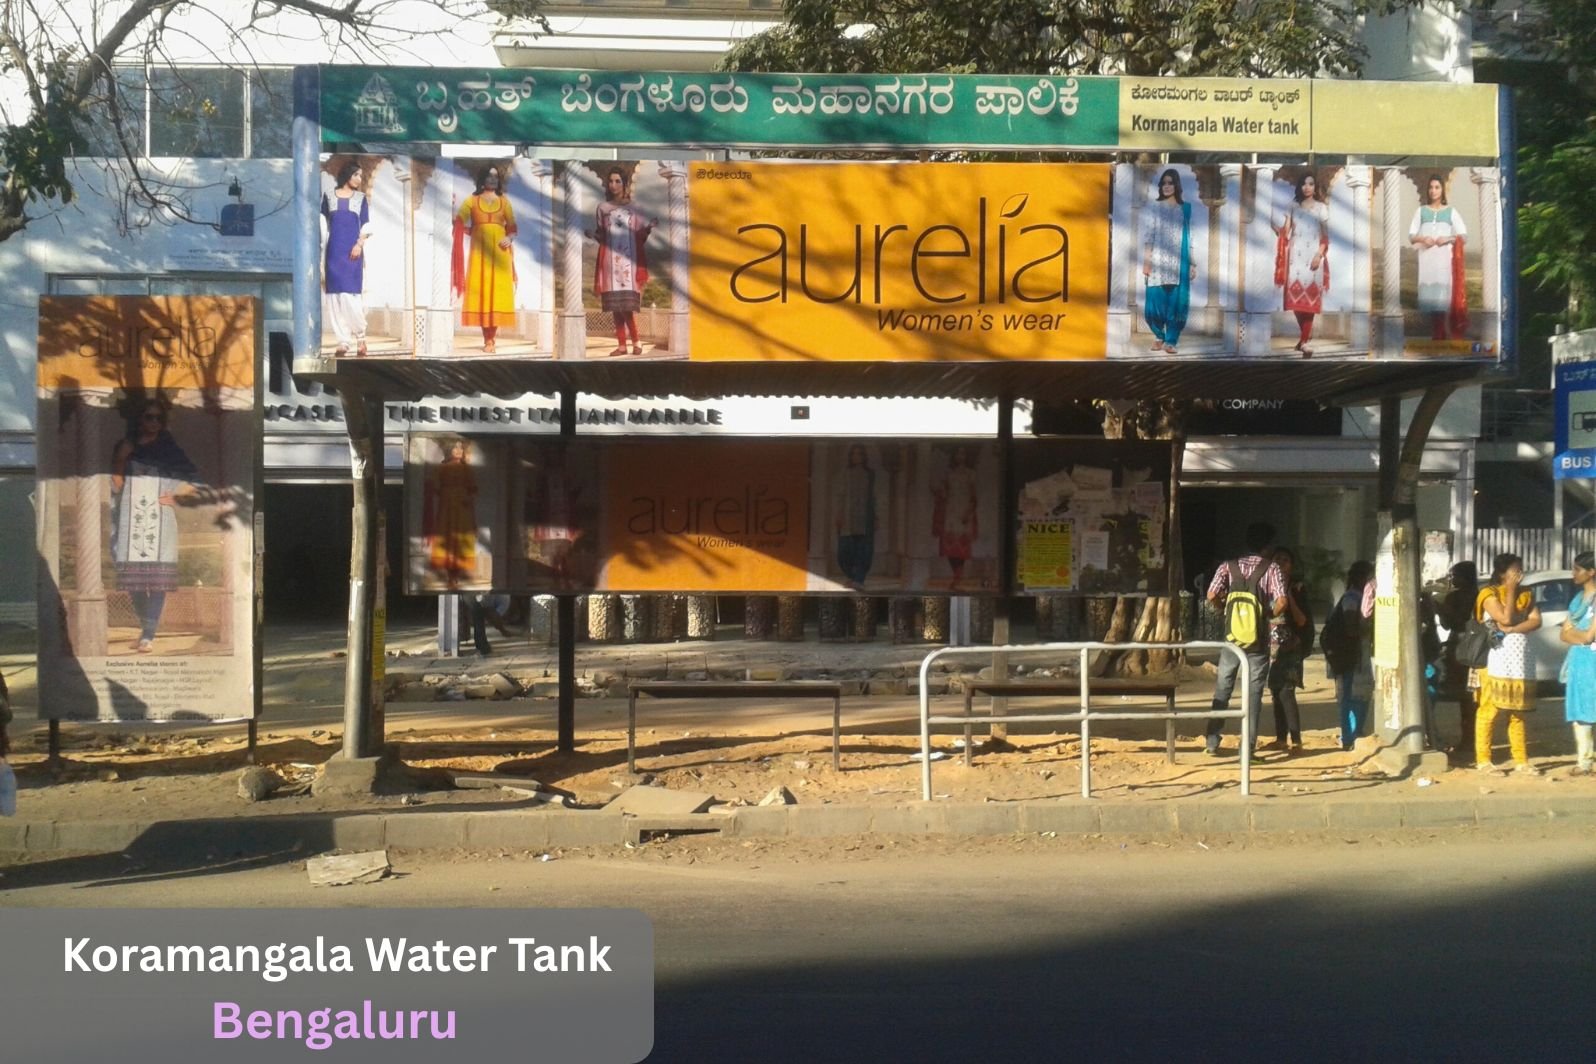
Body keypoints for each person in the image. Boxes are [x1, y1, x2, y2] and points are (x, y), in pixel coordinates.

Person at [110, 397, 200, 654]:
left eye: (158, 418)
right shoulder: (125, 446)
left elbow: (196, 479)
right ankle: (146, 629)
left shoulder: (169, 448)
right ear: (139, 418)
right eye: (149, 417)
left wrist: (176, 497)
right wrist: (120, 460)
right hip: (130, 518)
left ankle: (148, 635)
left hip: (160, 520)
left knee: (158, 581)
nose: (154, 422)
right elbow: (116, 485)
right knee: (134, 583)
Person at [1203, 522, 1287, 756]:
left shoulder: (1228, 567)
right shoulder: (1272, 569)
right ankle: (1247, 747)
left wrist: (1223, 611)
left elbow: (1211, 594)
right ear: (1268, 546)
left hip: (1232, 638)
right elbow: (1282, 602)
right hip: (1257, 641)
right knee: (1254, 693)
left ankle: (1212, 740)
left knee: (1223, 687)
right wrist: (1267, 614)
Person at [1474, 552, 1542, 775]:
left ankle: (1521, 760)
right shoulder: (1489, 594)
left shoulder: (1527, 594)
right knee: (1490, 711)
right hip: (1494, 661)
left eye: (1521, 569)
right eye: (1515, 570)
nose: (1519, 574)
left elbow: (1535, 620)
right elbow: (1505, 618)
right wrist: (1511, 592)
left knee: (1517, 712)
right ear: (1502, 573)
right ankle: (1484, 760)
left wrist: (1513, 630)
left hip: (1520, 660)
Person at [592, 165, 657, 357]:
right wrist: (592, 235)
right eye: (611, 181)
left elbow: (639, 236)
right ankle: (622, 346)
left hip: (629, 263)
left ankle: (637, 342)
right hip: (610, 263)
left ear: (624, 183)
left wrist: (649, 228)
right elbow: (602, 236)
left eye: (617, 181)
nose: (613, 185)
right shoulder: (602, 208)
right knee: (615, 307)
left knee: (627, 307)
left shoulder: (635, 208)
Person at [452, 165, 517, 353]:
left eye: (496, 176)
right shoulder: (472, 201)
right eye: (489, 176)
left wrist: (509, 238)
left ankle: (492, 340)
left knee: (495, 295)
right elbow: (460, 221)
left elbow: (512, 226)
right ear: (482, 179)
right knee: (481, 294)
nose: (492, 179)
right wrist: (461, 226)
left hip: (500, 254)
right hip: (479, 255)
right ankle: (486, 339)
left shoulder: (504, 202)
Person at [1273, 172, 1330, 357]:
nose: (1307, 187)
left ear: (1315, 187)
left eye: (1311, 184)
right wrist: (1276, 229)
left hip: (1313, 259)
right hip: (1295, 260)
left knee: (1310, 303)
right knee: (1297, 303)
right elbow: (1286, 231)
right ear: (1300, 186)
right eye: (1304, 184)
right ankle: (1304, 337)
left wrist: (1318, 256)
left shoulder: (1322, 208)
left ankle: (1304, 341)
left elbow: (1324, 237)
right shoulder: (1292, 206)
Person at [1140, 168, 1195, 355]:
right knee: (1154, 305)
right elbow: (1149, 237)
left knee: (1175, 304)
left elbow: (1190, 238)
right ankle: (1159, 336)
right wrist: (1146, 262)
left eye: (1170, 182)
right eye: (1164, 183)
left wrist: (1193, 264)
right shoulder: (1154, 207)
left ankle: (1171, 340)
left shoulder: (1185, 208)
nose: (1167, 186)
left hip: (1179, 264)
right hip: (1157, 263)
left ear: (1176, 185)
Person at [1265, 548, 1314, 754]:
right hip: (1271, 648)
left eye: (1285, 560)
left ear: (1291, 565)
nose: (1280, 563)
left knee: (1287, 692)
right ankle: (1280, 739)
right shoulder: (1266, 586)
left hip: (1291, 648)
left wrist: (1288, 596)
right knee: (1275, 692)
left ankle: (1296, 740)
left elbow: (1302, 620)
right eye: (1277, 559)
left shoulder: (1297, 589)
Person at [321, 160, 372, 356]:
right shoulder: (328, 196)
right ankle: (343, 342)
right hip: (333, 252)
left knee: (351, 297)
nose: (359, 179)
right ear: (347, 175)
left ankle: (361, 337)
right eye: (356, 175)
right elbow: (322, 225)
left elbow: (366, 225)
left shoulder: (360, 198)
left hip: (353, 252)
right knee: (334, 298)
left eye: (361, 175)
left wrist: (359, 245)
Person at [1409, 174, 1468, 341]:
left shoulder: (1451, 212)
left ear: (1442, 190)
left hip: (1443, 260)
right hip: (1427, 259)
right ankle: (1438, 334)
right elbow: (1411, 235)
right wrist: (1423, 239)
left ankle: (1440, 335)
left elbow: (1463, 236)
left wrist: (1447, 239)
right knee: (1431, 298)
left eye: (1437, 187)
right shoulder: (1421, 211)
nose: (1433, 191)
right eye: (1431, 187)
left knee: (1442, 298)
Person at [1325, 560, 1375, 750]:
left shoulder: (1357, 597)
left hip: (1356, 654)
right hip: (1350, 656)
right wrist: (1368, 626)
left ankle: (1354, 733)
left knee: (1358, 695)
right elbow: (1351, 629)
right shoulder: (1353, 599)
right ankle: (1349, 736)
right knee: (1350, 696)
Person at [423, 438, 478, 589]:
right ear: (449, 451)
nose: (458, 451)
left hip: (463, 508)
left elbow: (473, 488)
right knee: (446, 537)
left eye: (460, 448)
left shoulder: (467, 469)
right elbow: (434, 486)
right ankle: (449, 575)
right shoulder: (442, 468)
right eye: (455, 448)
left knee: (461, 539)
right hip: (446, 507)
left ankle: (457, 574)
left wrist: (467, 496)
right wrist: (443, 493)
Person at [1559, 551, 1596, 776]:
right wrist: (1579, 635)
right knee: (1580, 711)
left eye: (1577, 569)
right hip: (1580, 662)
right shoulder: (1577, 601)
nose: (1573, 574)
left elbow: (1588, 637)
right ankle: (1584, 762)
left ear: (1591, 572)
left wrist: (1578, 635)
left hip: (1591, 659)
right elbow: (1564, 635)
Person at [1439, 560, 1480, 753]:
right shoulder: (1480, 595)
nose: (1452, 579)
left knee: (1467, 697)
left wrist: (1441, 609)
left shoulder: (1457, 598)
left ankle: (1469, 739)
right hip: (1476, 648)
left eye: (1455, 575)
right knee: (1470, 697)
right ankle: (1471, 738)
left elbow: (1451, 624)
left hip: (1464, 648)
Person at [932, 447, 980, 590]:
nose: (960, 456)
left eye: (963, 453)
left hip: (963, 511)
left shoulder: (971, 474)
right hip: (950, 512)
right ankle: (956, 576)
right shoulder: (948, 474)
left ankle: (957, 578)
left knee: (962, 547)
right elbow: (943, 492)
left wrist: (968, 513)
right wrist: (938, 492)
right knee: (950, 547)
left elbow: (974, 497)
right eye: (958, 453)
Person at [834, 445, 876, 588]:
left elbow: (874, 497)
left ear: (864, 456)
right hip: (847, 516)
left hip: (865, 517)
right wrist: (839, 514)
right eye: (854, 454)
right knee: (843, 553)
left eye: (859, 454)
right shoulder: (846, 473)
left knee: (864, 551)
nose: (857, 457)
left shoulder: (870, 474)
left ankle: (859, 580)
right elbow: (840, 495)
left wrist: (876, 516)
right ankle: (853, 577)